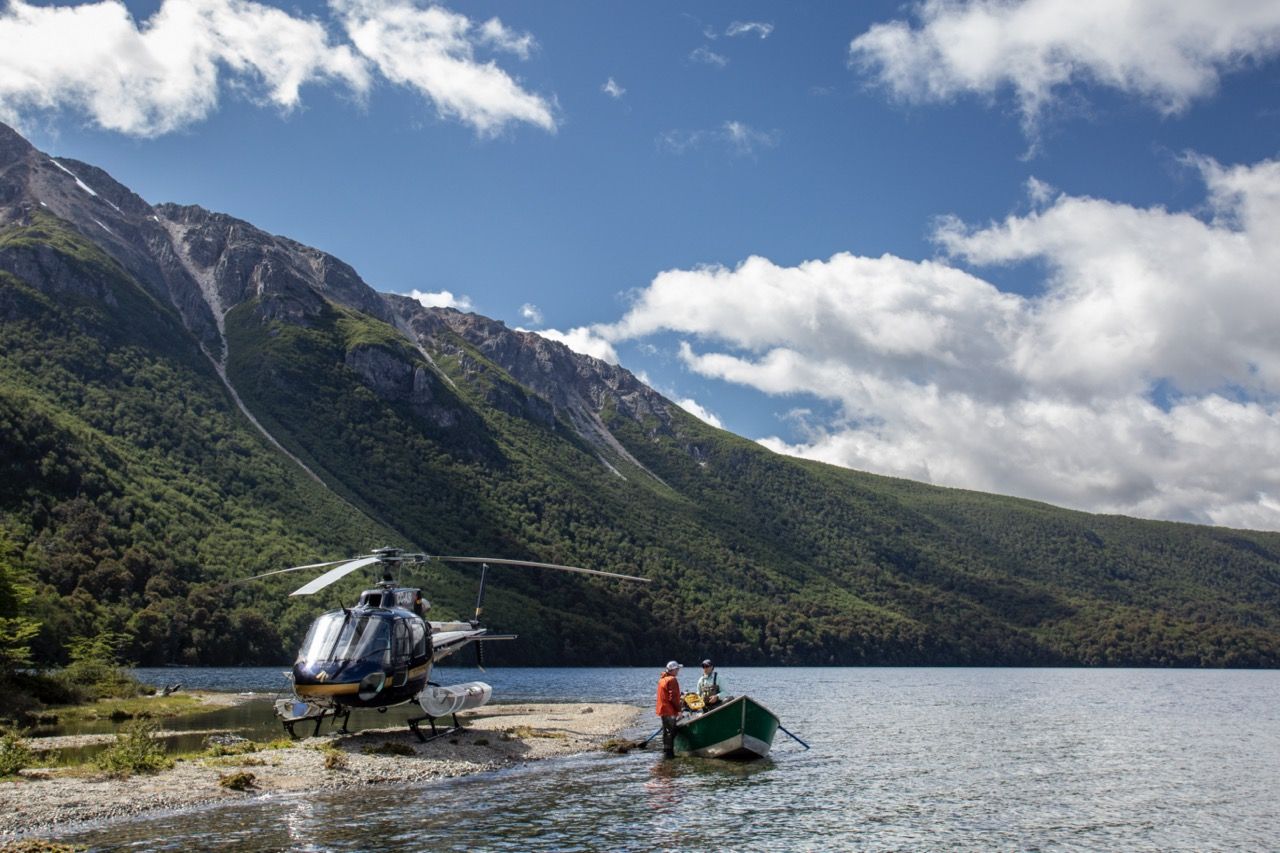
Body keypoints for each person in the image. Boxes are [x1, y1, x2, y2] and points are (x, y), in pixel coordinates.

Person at [655, 660, 683, 758]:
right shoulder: (672, 679)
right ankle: (669, 754)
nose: (678, 671)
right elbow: (674, 697)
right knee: (672, 731)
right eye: (677, 669)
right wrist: (679, 710)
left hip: (662, 710)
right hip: (669, 710)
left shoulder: (662, 679)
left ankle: (666, 752)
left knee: (666, 731)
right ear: (673, 670)